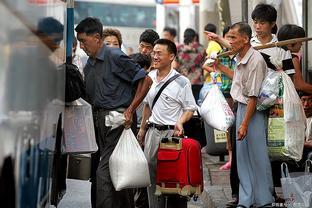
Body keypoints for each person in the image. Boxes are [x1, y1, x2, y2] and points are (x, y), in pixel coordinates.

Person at [75, 17, 152, 208]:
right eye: (79, 42)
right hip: (98, 122)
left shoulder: (114, 56)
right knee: (118, 172)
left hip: (117, 122)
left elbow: (146, 81)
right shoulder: (89, 63)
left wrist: (131, 109)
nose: (82, 46)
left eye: (84, 41)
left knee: (105, 172)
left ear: (96, 37)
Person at [217, 22, 274, 208]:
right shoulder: (240, 57)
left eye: (233, 37)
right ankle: (246, 199)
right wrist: (218, 66)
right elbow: (239, 80)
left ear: (245, 39)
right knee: (242, 157)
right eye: (229, 37)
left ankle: (264, 199)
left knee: (257, 156)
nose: (229, 41)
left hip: (253, 112)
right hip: (242, 109)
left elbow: (253, 96)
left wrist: (244, 124)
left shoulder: (255, 60)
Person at [137, 39, 197, 208]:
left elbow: (190, 108)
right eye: (153, 53)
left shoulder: (182, 81)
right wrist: (142, 130)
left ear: (171, 56)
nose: (154, 56)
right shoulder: (148, 78)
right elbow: (147, 106)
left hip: (172, 136)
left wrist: (180, 121)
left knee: (171, 180)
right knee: (151, 175)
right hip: (152, 132)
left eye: (159, 53)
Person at [277, 24, 312, 94]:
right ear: (290, 43)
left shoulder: (276, 55)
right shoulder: (292, 58)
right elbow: (299, 85)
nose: (301, 44)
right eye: (300, 42)